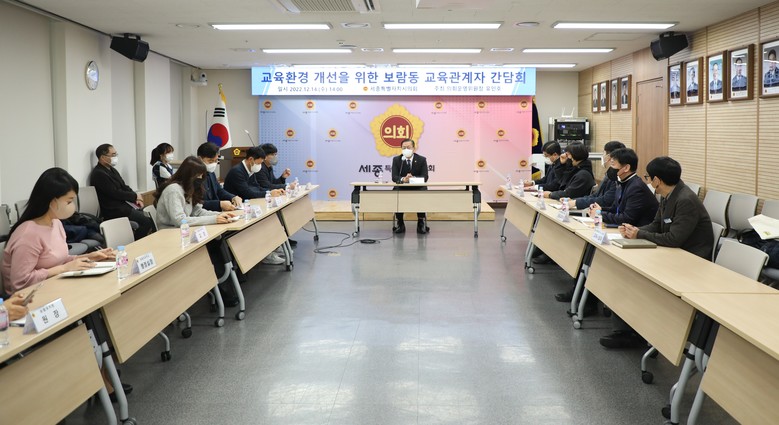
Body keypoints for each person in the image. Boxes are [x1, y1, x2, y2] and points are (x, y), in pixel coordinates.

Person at [600, 156, 714, 349]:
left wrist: (639, 234)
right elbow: (656, 225)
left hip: (690, 260)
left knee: (635, 277)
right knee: (625, 271)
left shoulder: (685, 200)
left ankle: (636, 332)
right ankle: (628, 330)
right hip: (672, 252)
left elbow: (673, 238)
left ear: (657, 180)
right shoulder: (668, 195)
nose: (647, 181)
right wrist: (634, 230)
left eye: (648, 177)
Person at [2, 168, 115, 295]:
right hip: (29, 297)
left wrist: (89, 257)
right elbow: (20, 283)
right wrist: (63, 269)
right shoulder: (28, 234)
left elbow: (60, 260)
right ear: (52, 202)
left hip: (55, 286)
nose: (72, 206)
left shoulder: (56, 223)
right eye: (69, 201)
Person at [222, 147, 285, 265]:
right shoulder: (237, 171)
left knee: (269, 217)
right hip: (235, 209)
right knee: (262, 222)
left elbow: (257, 187)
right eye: (259, 163)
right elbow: (248, 193)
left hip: (248, 205)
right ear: (251, 159)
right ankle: (265, 253)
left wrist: (269, 193)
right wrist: (268, 193)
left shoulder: (250, 169)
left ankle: (272, 247)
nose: (259, 166)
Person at [89, 144, 154, 240]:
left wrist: (136, 197)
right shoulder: (99, 173)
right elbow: (115, 193)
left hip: (125, 205)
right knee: (146, 222)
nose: (115, 157)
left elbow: (124, 186)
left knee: (149, 216)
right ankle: (135, 245)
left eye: (116, 154)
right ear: (102, 157)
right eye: (113, 155)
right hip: (114, 209)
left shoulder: (112, 170)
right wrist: (134, 197)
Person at [588, 148, 658, 227]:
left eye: (613, 165)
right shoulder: (622, 183)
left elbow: (627, 219)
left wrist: (600, 214)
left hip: (638, 230)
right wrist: (600, 209)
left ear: (626, 168)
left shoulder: (636, 187)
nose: (611, 168)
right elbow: (616, 209)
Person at [567, 141, 626, 212]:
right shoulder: (609, 174)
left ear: (609, 157)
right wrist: (575, 200)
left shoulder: (617, 178)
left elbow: (606, 201)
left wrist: (576, 202)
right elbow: (596, 195)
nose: (603, 156)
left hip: (604, 213)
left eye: (604, 153)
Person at [391, 138, 429, 234]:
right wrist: (403, 179)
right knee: (396, 192)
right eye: (404, 148)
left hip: (417, 187)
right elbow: (394, 177)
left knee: (423, 193)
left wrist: (412, 179)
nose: (406, 150)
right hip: (402, 187)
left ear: (414, 148)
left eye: (408, 147)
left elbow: (425, 177)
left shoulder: (421, 159)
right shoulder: (397, 160)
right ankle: (400, 222)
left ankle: (421, 222)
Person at [196, 142, 242, 212]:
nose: (213, 164)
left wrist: (233, 197)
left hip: (215, 212)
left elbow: (219, 190)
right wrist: (219, 204)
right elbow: (196, 203)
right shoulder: (193, 175)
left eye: (216, 161)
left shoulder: (211, 172)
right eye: (210, 161)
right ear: (199, 159)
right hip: (202, 214)